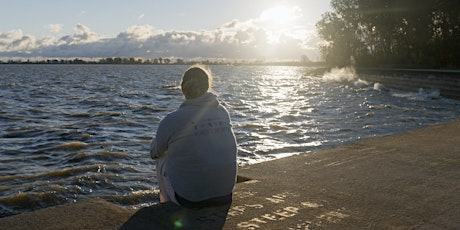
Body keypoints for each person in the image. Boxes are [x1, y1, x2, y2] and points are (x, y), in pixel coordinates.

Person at [150, 65, 238, 209]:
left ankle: (166, 204)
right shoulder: (222, 112)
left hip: (191, 199)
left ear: (183, 89)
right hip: (225, 195)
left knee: (162, 157)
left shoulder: (172, 119)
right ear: (207, 87)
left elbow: (154, 153)